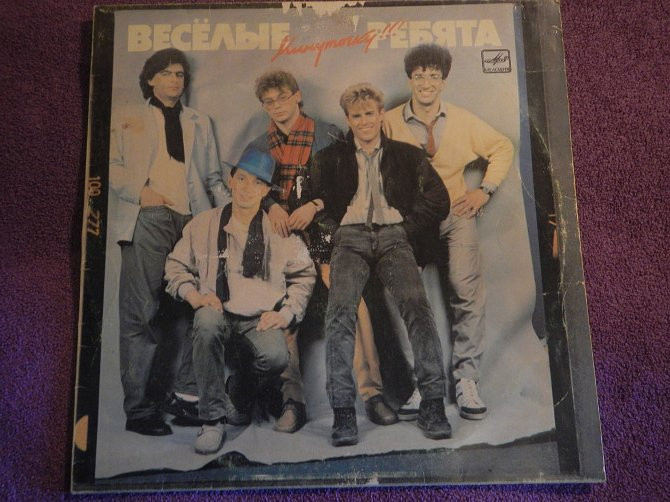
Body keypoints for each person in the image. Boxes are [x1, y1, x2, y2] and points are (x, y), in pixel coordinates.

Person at [245, 70, 397, 432]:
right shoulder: (259, 145)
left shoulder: (328, 133)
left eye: (283, 97)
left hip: (325, 232)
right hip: (282, 239)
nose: (277, 106)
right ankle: (292, 400)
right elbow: (245, 187)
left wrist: (314, 204)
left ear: (297, 96)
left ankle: (372, 393)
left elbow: (353, 184)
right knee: (281, 309)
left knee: (353, 302)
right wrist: (271, 205)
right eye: (269, 102)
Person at [310, 83, 451, 446]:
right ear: (348, 119)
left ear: (380, 114)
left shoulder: (407, 155)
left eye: (369, 114)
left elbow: (439, 199)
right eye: (356, 116)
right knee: (339, 312)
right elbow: (311, 203)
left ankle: (433, 403)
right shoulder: (329, 158)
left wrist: (406, 228)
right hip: (350, 239)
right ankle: (343, 412)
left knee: (417, 307)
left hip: (393, 237)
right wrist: (335, 232)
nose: (364, 121)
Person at [383, 44, 514, 421]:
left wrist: (484, 190)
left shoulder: (461, 119)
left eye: (434, 76)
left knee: (466, 291)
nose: (426, 83)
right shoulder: (388, 121)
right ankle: (423, 382)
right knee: (403, 296)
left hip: (455, 213)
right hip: (410, 220)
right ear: (409, 79)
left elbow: (502, 146)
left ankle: (467, 379)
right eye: (419, 76)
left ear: (443, 80)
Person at [164, 147, 317, 454]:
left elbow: (305, 274)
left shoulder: (278, 231)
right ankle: (212, 420)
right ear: (230, 180)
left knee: (277, 356)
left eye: (258, 183)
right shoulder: (204, 223)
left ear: (266, 191)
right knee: (205, 322)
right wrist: (194, 296)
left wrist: (286, 314)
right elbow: (175, 266)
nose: (248, 188)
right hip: (217, 311)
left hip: (256, 320)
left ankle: (238, 389)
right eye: (243, 179)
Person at [109, 48, 229, 436]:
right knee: (141, 312)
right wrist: (139, 192)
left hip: (194, 221)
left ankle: (186, 397)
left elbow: (213, 178)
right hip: (150, 218)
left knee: (203, 305)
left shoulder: (199, 121)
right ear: (150, 79)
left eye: (180, 74)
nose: (175, 80)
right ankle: (139, 410)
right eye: (166, 73)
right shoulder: (128, 117)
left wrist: (230, 215)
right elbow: (108, 165)